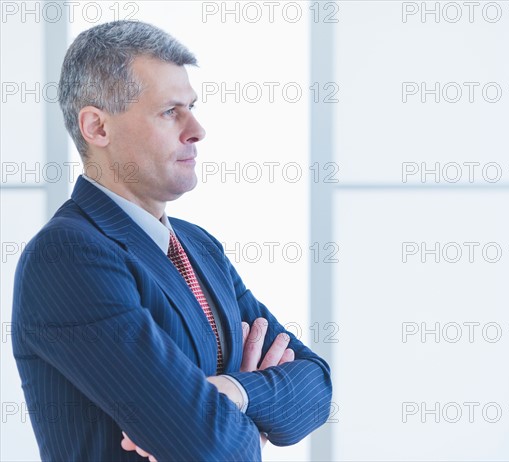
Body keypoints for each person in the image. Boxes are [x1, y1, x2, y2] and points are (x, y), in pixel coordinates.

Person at [11, 20, 332, 461]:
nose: (197, 130)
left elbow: (315, 389)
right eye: (170, 112)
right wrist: (250, 424)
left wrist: (233, 393)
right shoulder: (68, 257)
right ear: (97, 128)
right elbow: (210, 449)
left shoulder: (200, 247)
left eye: (192, 108)